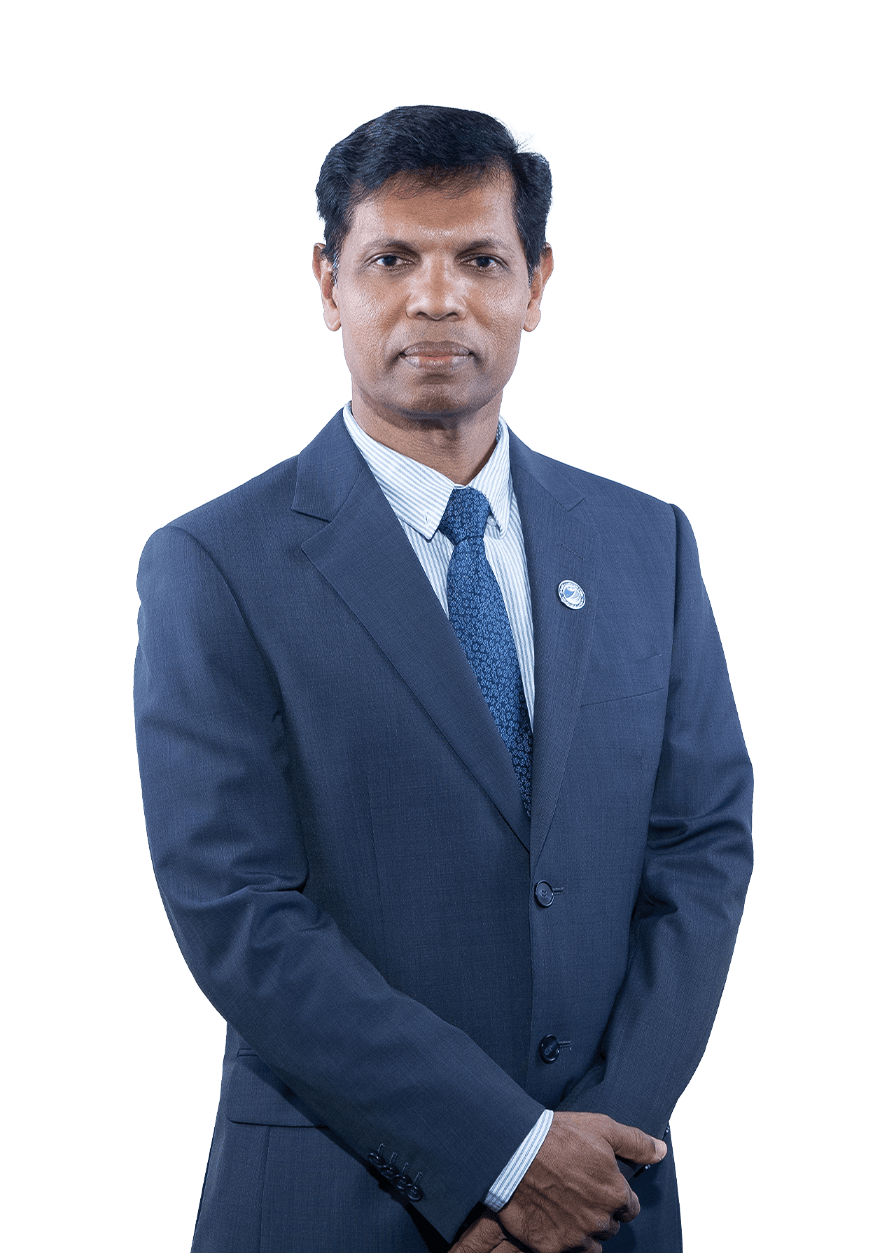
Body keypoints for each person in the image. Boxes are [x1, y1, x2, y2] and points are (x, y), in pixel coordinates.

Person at [133, 104, 753, 1253]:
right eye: (390, 259)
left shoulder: (645, 543)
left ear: (535, 284)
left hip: (609, 1198)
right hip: (334, 1200)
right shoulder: (214, 563)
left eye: (478, 258)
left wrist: (586, 1156)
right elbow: (238, 910)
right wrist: (504, 1157)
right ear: (327, 283)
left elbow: (701, 848)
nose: (435, 298)